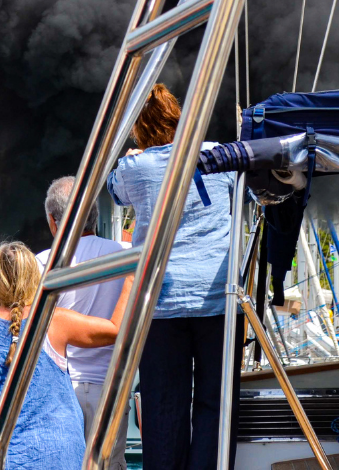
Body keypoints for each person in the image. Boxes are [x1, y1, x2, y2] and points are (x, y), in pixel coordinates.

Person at [106, 84, 237, 470]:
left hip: (160, 304)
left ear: (140, 128)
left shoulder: (134, 167)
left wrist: (132, 157)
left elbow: (115, 193)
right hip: (217, 298)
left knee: (164, 407)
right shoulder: (217, 155)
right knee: (215, 403)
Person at [0, 241, 133, 470]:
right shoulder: (54, 320)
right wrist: (132, 277)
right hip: (56, 455)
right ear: (35, 277)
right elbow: (115, 329)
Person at [38, 176, 130, 470]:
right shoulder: (126, 256)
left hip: (60, 391)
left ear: (53, 222)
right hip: (111, 389)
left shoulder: (42, 264)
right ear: (95, 215)